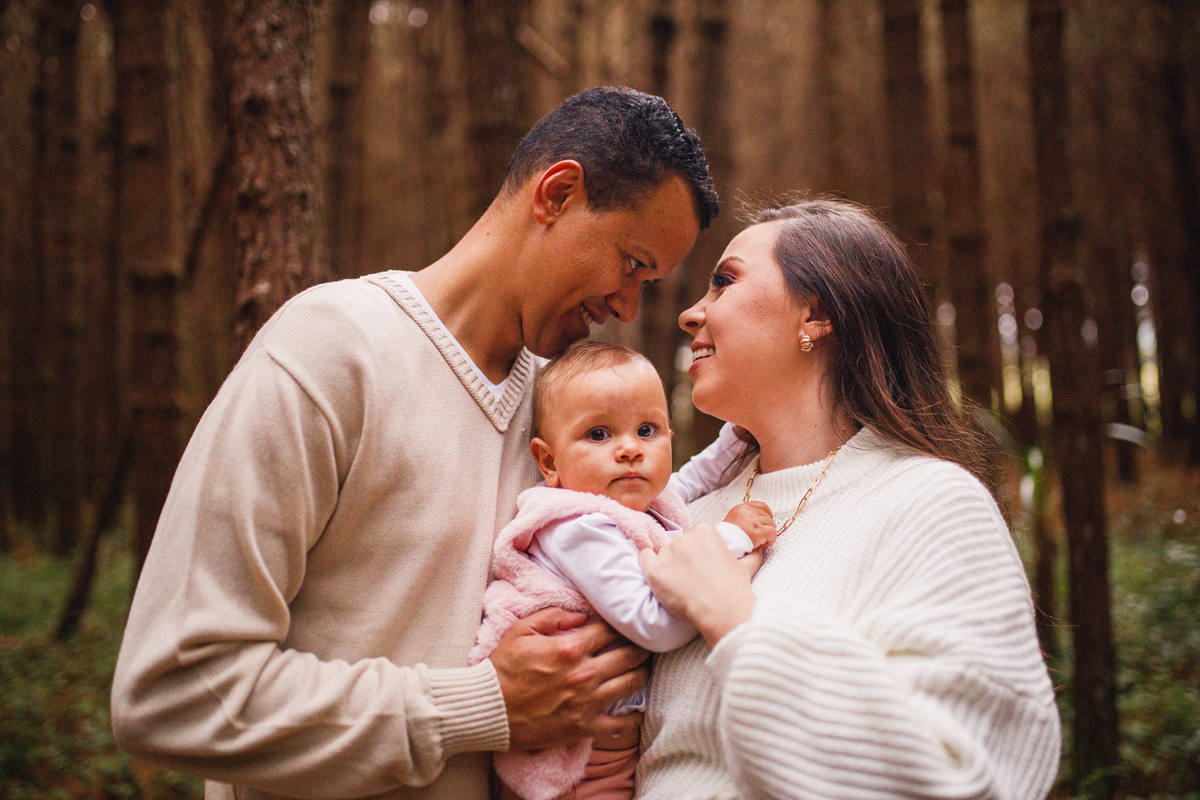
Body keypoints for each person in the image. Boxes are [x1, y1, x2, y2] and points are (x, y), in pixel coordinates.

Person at [109, 87, 720, 800]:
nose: (627, 307)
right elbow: (173, 693)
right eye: (631, 264)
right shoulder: (331, 352)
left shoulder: (570, 417)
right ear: (557, 193)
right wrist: (480, 707)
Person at [634, 199, 1062, 799]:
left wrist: (733, 615)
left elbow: (962, 776)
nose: (689, 314)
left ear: (815, 315)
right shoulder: (681, 517)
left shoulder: (932, 504)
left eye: (725, 282)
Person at [468, 342, 776, 800]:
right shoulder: (576, 527)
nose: (630, 449)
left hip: (608, 739)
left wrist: (741, 434)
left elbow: (688, 481)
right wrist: (731, 541)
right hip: (577, 759)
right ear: (549, 462)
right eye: (598, 435)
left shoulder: (627, 501)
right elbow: (654, 624)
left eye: (647, 429)